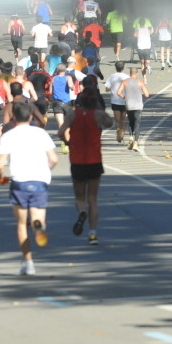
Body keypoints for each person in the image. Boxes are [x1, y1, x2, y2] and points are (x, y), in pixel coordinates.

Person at [0, 102, 58, 275]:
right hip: (39, 180)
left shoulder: (8, 136)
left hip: (19, 182)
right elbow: (54, 159)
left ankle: (28, 262)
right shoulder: (41, 133)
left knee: (22, 224)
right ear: (31, 117)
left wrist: (2, 178)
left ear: (14, 118)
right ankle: (39, 227)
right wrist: (45, 171)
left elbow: (0, 163)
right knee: (37, 217)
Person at [59, 88, 113, 245]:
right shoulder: (98, 114)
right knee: (93, 199)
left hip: (77, 160)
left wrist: (68, 142)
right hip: (94, 160)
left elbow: (61, 132)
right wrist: (101, 110)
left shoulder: (72, 115)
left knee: (80, 197)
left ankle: (82, 211)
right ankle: (93, 233)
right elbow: (110, 123)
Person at [116, 67, 150, 151]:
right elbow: (147, 94)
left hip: (129, 105)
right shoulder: (140, 82)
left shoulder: (125, 82)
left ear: (129, 74)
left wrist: (124, 97)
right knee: (137, 124)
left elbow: (118, 92)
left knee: (131, 122)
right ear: (137, 74)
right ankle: (135, 142)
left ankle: (131, 137)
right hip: (138, 106)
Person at [104, 61, 130, 143]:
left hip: (115, 100)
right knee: (123, 119)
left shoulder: (112, 77)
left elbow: (106, 88)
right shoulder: (127, 77)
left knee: (117, 120)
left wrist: (112, 86)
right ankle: (122, 134)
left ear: (115, 67)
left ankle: (119, 133)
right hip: (125, 100)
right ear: (123, 67)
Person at [132, 17, 154, 82]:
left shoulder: (142, 29)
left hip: (144, 46)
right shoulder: (146, 29)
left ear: (139, 23)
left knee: (144, 62)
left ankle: (148, 67)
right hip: (143, 46)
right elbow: (152, 32)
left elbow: (134, 35)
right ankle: (144, 78)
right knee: (143, 63)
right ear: (145, 22)